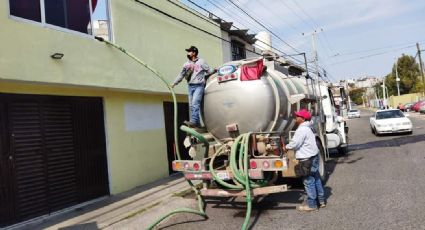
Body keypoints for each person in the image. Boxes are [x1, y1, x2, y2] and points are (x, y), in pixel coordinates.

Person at [282, 109, 326, 212]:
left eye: (297, 116)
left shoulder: (301, 130)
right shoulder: (309, 127)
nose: (296, 118)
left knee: (308, 181)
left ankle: (312, 205)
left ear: (303, 118)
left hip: (307, 159)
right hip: (313, 157)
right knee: (316, 179)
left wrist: (286, 147)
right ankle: (321, 201)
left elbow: (295, 144)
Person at [171, 46, 216, 128]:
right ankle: (198, 124)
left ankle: (194, 121)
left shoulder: (201, 62)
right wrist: (174, 83)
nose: (188, 53)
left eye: (189, 51)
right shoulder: (186, 64)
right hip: (190, 86)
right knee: (191, 105)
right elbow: (181, 75)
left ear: (194, 53)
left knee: (195, 103)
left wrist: (215, 70)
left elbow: (208, 70)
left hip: (199, 85)